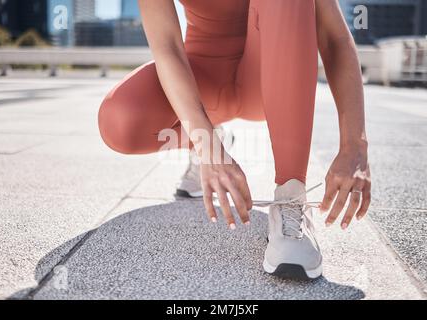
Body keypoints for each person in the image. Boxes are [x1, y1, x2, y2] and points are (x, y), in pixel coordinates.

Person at [98, 0, 371, 280]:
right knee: (119, 122)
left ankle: (290, 195)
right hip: (204, 82)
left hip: (270, 80)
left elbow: (334, 37)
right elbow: (167, 46)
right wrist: (207, 145)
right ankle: (208, 136)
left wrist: (354, 145)